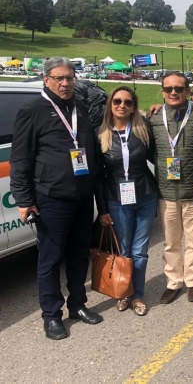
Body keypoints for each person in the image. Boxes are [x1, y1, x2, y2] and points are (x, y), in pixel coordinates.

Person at [10, 57, 103, 340]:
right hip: (52, 199)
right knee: (50, 260)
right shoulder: (32, 110)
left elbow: (93, 154)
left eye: (70, 78)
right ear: (46, 80)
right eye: (59, 78)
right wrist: (25, 200)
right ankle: (51, 315)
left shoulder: (81, 108)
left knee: (78, 255)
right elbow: (21, 159)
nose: (65, 83)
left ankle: (77, 305)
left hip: (83, 197)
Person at [147, 72, 193, 304]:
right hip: (166, 192)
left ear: (187, 91)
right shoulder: (153, 118)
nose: (174, 92)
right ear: (162, 92)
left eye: (179, 88)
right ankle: (173, 282)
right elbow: (148, 151)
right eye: (169, 89)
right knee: (171, 242)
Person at [96, 86, 158, 316]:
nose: (122, 105)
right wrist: (102, 209)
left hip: (145, 195)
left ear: (133, 107)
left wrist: (159, 108)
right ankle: (123, 291)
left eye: (128, 102)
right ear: (110, 104)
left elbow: (160, 156)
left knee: (140, 250)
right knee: (124, 250)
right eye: (118, 101)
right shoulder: (99, 134)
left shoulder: (143, 130)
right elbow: (97, 177)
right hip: (116, 198)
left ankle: (138, 294)